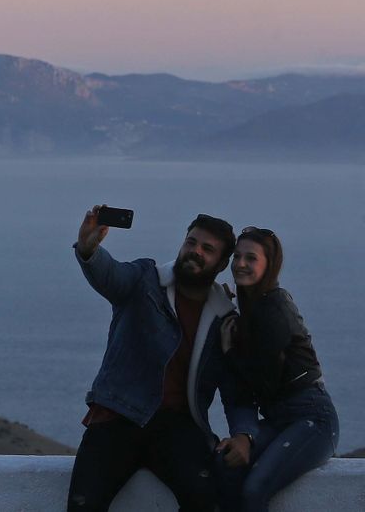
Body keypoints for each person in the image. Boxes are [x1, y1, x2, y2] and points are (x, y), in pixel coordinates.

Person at [67, 208, 256, 511]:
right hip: (117, 417)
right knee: (83, 505)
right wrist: (89, 249)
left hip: (178, 428)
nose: (195, 251)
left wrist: (244, 435)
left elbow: (237, 391)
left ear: (221, 264)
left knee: (208, 502)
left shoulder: (225, 321)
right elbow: (110, 276)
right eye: (191, 242)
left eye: (207, 249)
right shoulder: (145, 279)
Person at [213, 226, 339, 511]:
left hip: (313, 419)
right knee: (225, 465)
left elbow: (264, 382)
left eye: (251, 258)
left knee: (256, 487)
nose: (240, 264)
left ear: (269, 265)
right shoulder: (251, 309)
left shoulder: (274, 308)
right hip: (280, 419)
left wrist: (229, 351)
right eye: (237, 256)